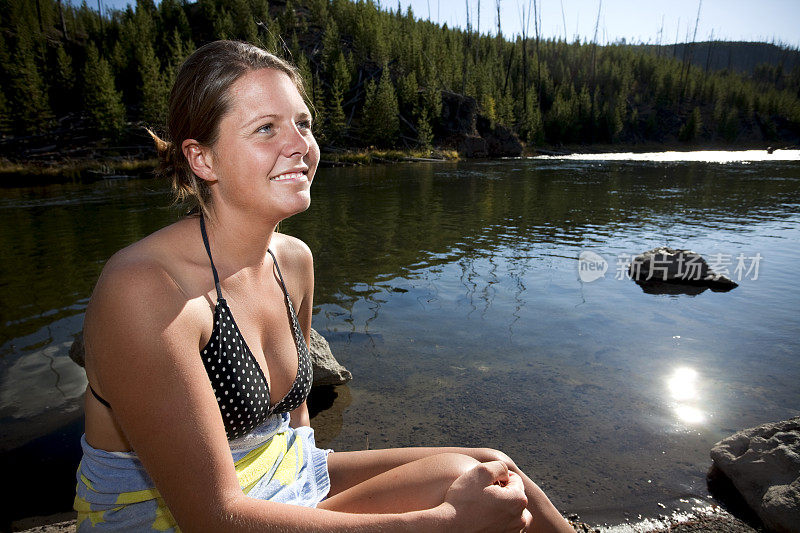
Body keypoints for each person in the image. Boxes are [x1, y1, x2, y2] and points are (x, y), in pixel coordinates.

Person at [75, 40, 573, 532]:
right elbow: (212, 518)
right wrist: (440, 523)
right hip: (175, 519)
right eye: (265, 128)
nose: (299, 145)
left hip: (284, 473)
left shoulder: (292, 261)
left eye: (303, 123)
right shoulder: (145, 289)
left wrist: (320, 497)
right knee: (462, 486)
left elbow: (296, 421)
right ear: (202, 159)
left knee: (496, 468)